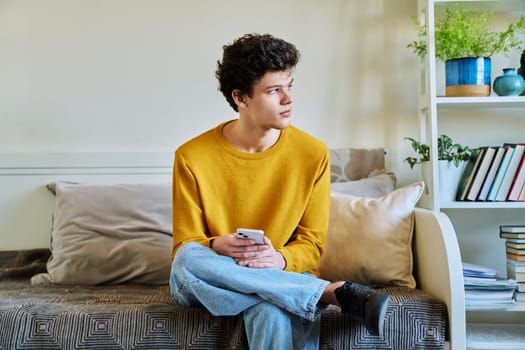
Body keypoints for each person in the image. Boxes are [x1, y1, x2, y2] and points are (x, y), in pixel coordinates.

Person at [169, 33, 389, 350]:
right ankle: (326, 294)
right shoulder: (192, 156)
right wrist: (218, 244)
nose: (288, 99)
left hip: (279, 273)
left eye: (290, 86)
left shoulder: (312, 153)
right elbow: (185, 246)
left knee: (269, 307)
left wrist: (279, 260)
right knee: (187, 259)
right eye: (274, 90)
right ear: (241, 98)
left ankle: (289, 290)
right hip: (209, 278)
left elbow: (312, 244)